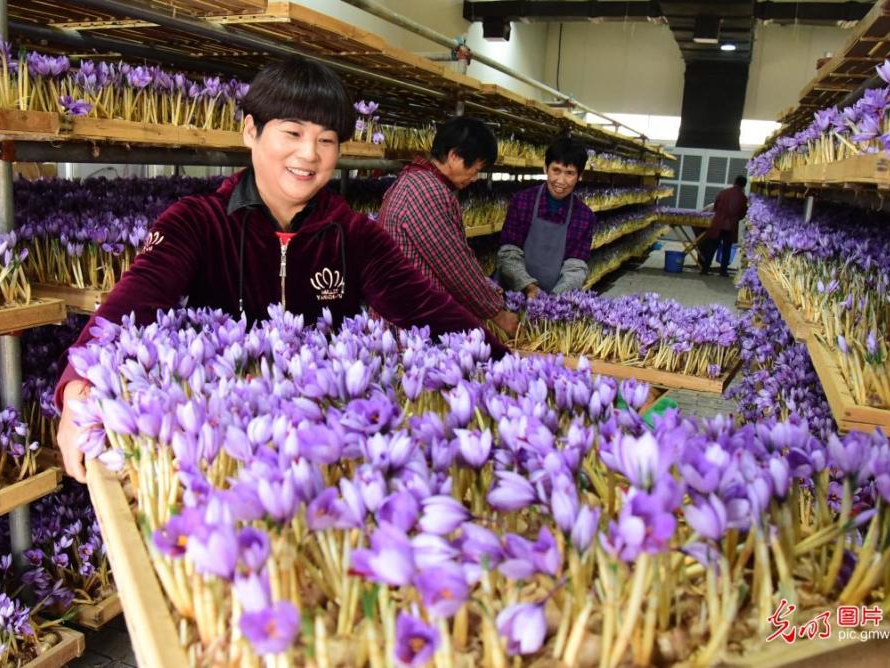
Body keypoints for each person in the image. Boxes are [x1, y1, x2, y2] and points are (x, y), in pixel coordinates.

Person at [54, 56, 507, 483]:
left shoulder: (353, 235)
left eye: (327, 140)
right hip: (217, 453)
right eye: (292, 132)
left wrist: (510, 368)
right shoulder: (197, 222)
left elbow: (429, 307)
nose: (309, 154)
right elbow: (133, 301)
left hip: (320, 454)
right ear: (250, 130)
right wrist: (76, 391)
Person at [377, 117, 520, 338]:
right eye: (475, 168)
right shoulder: (426, 192)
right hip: (412, 328)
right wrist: (498, 314)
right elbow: (454, 264)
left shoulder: (414, 181)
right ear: (454, 156)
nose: (475, 177)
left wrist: (487, 288)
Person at [497, 137, 595, 297]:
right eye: (556, 170)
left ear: (580, 176)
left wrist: (553, 300)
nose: (561, 181)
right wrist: (528, 286)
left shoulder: (584, 216)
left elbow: (576, 266)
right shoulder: (522, 201)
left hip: (555, 302)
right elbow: (509, 252)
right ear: (545, 168)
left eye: (570, 173)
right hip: (514, 294)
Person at [700, 175, 748, 277]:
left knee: (712, 247)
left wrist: (720, 215)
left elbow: (715, 207)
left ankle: (705, 269)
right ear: (744, 185)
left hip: (718, 224)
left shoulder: (723, 192)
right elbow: (743, 214)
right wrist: (735, 218)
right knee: (727, 249)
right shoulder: (743, 198)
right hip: (731, 226)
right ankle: (723, 271)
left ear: (734, 181)